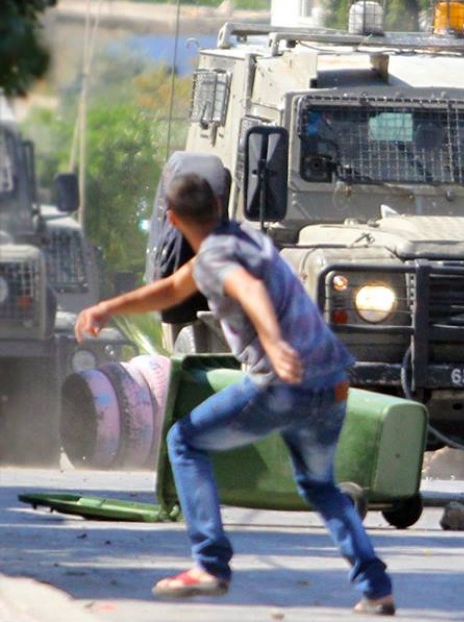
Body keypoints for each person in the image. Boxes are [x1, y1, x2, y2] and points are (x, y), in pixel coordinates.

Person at [74, 171, 395, 616]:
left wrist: (275, 343)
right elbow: (173, 288)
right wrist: (107, 308)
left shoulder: (216, 258)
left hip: (281, 386)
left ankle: (209, 564)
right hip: (332, 383)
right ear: (218, 205)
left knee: (184, 441)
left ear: (171, 218)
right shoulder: (246, 239)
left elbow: (249, 289)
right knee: (321, 487)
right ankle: (376, 588)